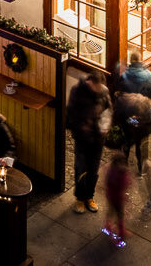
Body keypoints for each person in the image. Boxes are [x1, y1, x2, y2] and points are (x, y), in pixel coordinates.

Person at [65, 68, 109, 213]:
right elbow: (70, 114)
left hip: (98, 138)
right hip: (82, 138)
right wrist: (81, 126)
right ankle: (79, 198)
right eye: (97, 86)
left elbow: (108, 111)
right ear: (90, 83)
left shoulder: (103, 91)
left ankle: (89, 197)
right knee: (81, 168)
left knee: (94, 169)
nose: (99, 89)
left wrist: (105, 126)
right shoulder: (77, 91)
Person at [101, 149, 133, 247]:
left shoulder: (111, 170)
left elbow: (107, 182)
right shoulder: (120, 174)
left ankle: (107, 225)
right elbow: (124, 185)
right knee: (120, 215)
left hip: (110, 196)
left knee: (110, 211)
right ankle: (121, 232)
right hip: (117, 198)